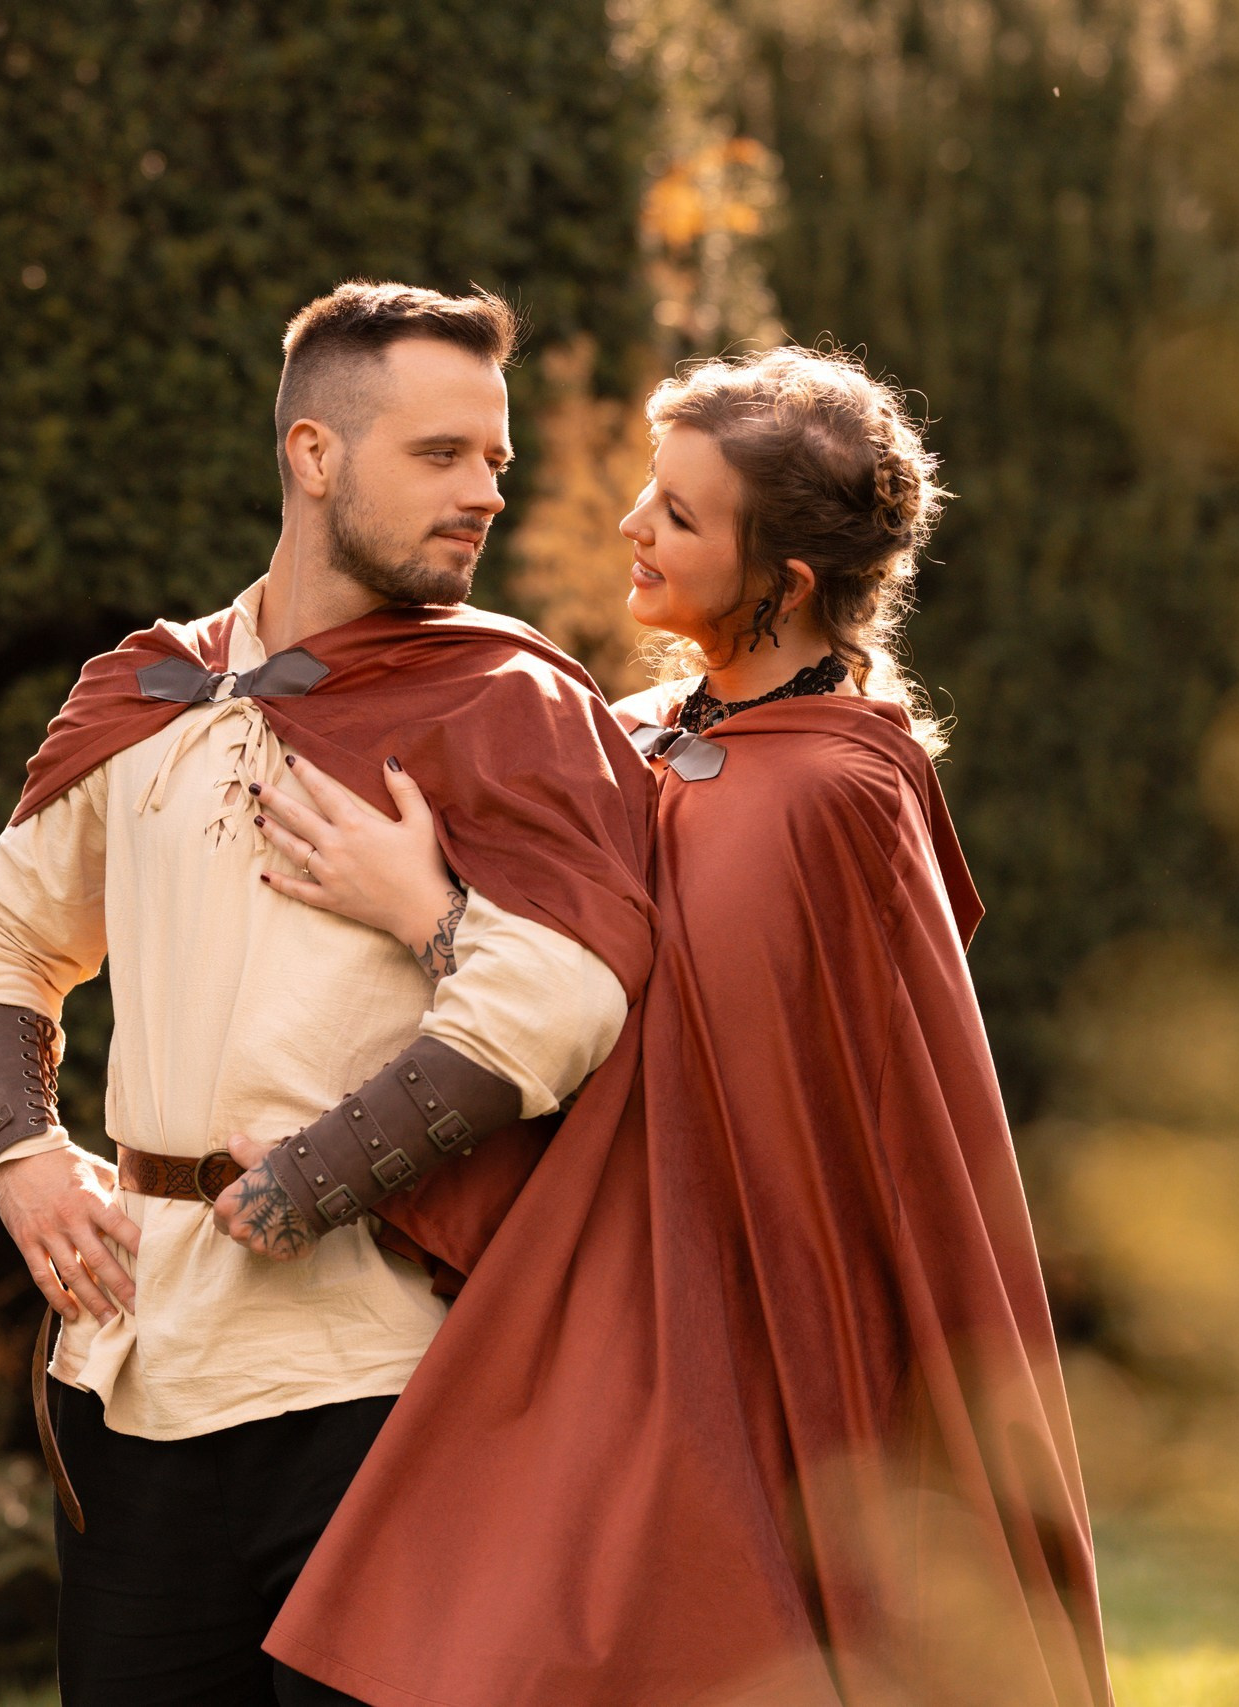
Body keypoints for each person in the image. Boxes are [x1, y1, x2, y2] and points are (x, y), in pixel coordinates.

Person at [252, 348, 1116, 1705]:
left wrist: (430, 916)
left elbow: (655, 1071)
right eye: (650, 494)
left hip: (712, 1342)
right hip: (601, 1302)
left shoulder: (822, 799)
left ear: (785, 584)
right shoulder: (649, 729)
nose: (630, 528)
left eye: (679, 516)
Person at [0, 281, 657, 1707]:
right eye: (440, 456)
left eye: (494, 461)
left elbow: (566, 995)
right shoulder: (149, 690)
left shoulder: (509, 701)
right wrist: (21, 1157)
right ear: (314, 455)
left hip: (384, 1381)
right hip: (135, 1370)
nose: (484, 494)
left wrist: (317, 1177)